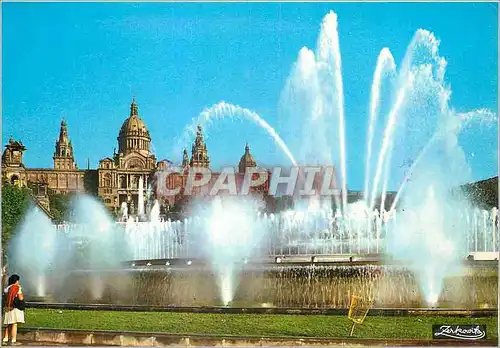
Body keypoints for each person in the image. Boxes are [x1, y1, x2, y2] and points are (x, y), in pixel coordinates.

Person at [2, 274, 25, 345]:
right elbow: (21, 298)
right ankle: (13, 341)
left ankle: (5, 339)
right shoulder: (17, 287)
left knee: (8, 324)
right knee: (14, 324)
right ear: (16, 281)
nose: (18, 282)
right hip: (15, 308)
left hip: (8, 308)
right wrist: (20, 292)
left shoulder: (7, 288)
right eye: (18, 280)